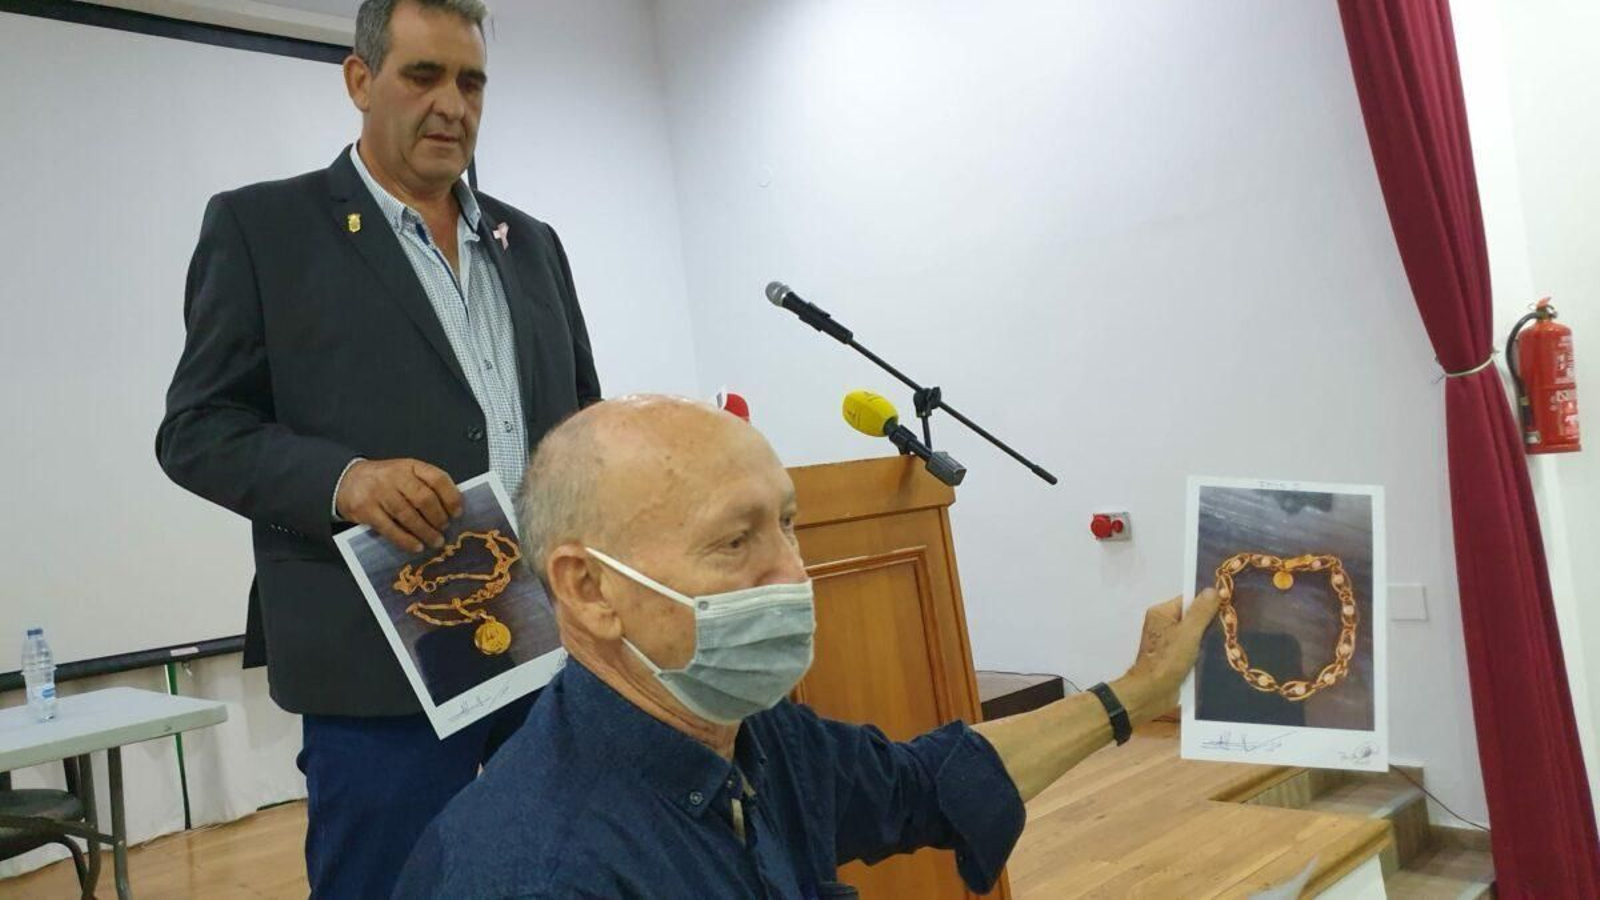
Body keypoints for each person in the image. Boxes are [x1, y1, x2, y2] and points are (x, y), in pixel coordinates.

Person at [393, 396, 1222, 898]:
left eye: (788, 524)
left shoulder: (749, 734)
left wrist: (1137, 693)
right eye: (735, 543)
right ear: (588, 589)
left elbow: (924, 784)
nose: (794, 575)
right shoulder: (539, 875)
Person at [155, 1, 601, 895]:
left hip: (545, 644)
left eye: (471, 81)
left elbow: (580, 421)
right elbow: (197, 429)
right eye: (423, 76)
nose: (452, 105)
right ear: (360, 81)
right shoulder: (263, 230)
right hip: (379, 665)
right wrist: (344, 480)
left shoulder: (533, 245)